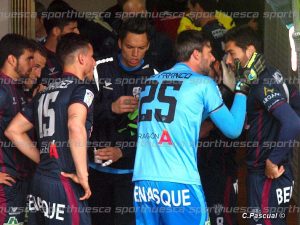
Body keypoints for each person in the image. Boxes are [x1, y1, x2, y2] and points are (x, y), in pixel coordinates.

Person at [132, 29, 263, 225]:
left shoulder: (150, 82)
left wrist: (224, 91)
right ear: (195, 54)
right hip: (180, 184)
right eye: (209, 52)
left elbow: (189, 120)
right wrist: (242, 86)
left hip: (143, 185)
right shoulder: (203, 83)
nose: (212, 59)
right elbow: (234, 129)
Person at [5, 33, 96, 225]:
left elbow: (13, 130)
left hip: (40, 182)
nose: (94, 62)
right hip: (64, 181)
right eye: (91, 56)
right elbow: (75, 125)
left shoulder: (45, 92)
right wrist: (83, 175)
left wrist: (43, 159)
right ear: (81, 58)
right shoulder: (82, 89)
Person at [224, 25, 300, 225]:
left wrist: (273, 160)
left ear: (249, 51)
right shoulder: (274, 73)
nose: (228, 61)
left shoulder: (261, 82)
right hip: (279, 173)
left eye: (232, 54)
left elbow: (292, 122)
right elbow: (297, 104)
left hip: (266, 174)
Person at [89, 16, 157, 225]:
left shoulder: (155, 78)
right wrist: (111, 107)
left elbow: (157, 131)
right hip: (96, 171)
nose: (135, 54)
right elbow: (79, 115)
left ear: (148, 46)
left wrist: (123, 151)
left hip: (133, 175)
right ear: (119, 43)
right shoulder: (98, 69)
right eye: (129, 47)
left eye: (141, 48)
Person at [0, 33, 34, 225]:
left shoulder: (18, 88)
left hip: (19, 179)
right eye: (28, 58)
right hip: (6, 182)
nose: (32, 64)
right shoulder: (2, 89)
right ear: (12, 59)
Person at [40, 0, 79, 86]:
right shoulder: (38, 57)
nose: (77, 32)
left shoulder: (77, 54)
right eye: (72, 29)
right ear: (56, 31)